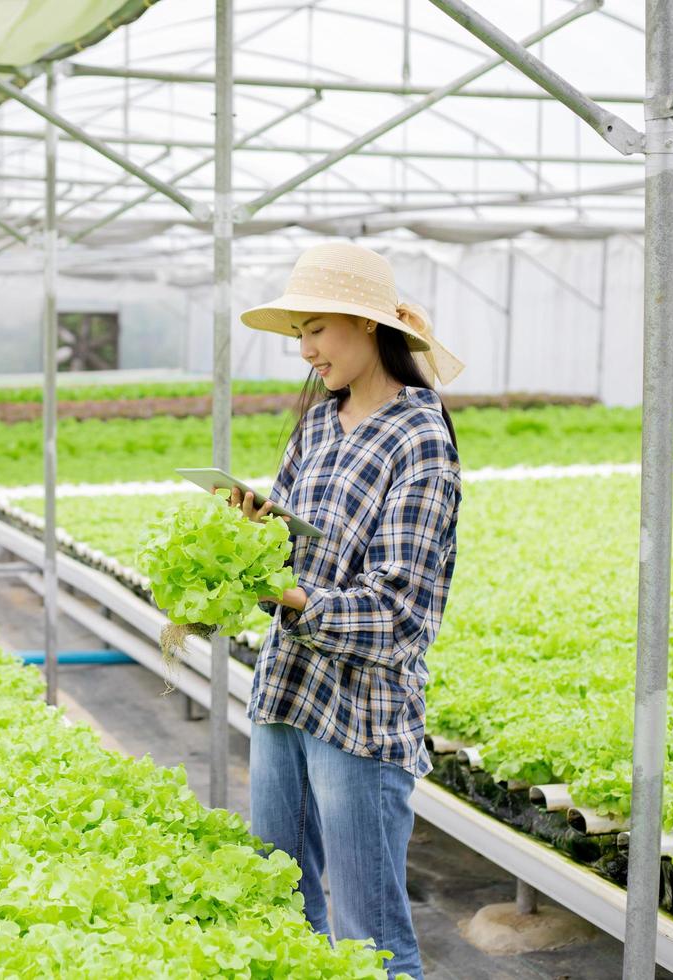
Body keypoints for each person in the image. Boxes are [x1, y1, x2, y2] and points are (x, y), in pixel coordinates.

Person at [223, 241, 466, 980]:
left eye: (317, 329)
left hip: (360, 717)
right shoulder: (321, 425)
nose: (304, 350)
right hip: (287, 691)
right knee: (283, 910)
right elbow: (300, 551)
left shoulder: (421, 436)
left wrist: (288, 595)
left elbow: (400, 613)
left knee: (373, 944)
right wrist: (255, 537)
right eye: (299, 333)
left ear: (367, 326)